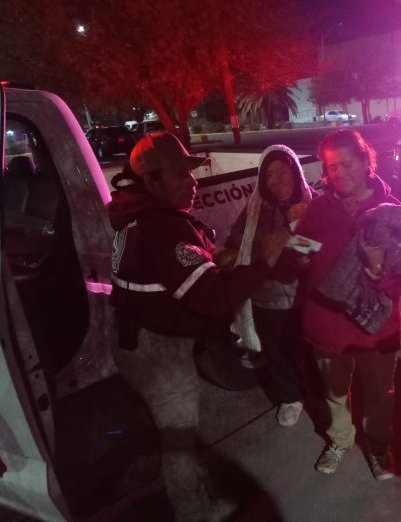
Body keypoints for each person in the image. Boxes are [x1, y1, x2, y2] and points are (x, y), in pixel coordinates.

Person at [106, 131, 289, 521]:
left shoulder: (132, 214)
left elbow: (171, 275)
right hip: (160, 352)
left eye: (190, 172)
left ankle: (189, 482)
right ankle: (193, 509)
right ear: (152, 180)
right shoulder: (162, 226)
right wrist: (264, 262)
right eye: (180, 174)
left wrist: (212, 263)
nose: (192, 183)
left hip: (132, 338)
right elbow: (214, 298)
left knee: (171, 431)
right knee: (178, 438)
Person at [295, 129, 401, 480]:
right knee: (334, 391)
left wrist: (379, 274)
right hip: (328, 321)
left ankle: (377, 445)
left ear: (365, 161)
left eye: (347, 163)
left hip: (376, 324)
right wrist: (295, 252)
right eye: (332, 167)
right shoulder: (318, 208)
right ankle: (340, 439)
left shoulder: (391, 210)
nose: (340, 173)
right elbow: (301, 248)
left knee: (379, 392)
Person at [215, 144, 317, 427]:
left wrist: (292, 233)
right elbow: (235, 241)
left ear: (295, 172)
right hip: (264, 296)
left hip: (304, 296)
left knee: (307, 352)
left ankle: (316, 391)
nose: (275, 180)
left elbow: (320, 247)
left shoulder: (314, 205)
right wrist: (229, 253)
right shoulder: (254, 208)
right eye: (269, 175)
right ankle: (291, 397)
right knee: (276, 353)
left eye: (282, 171)